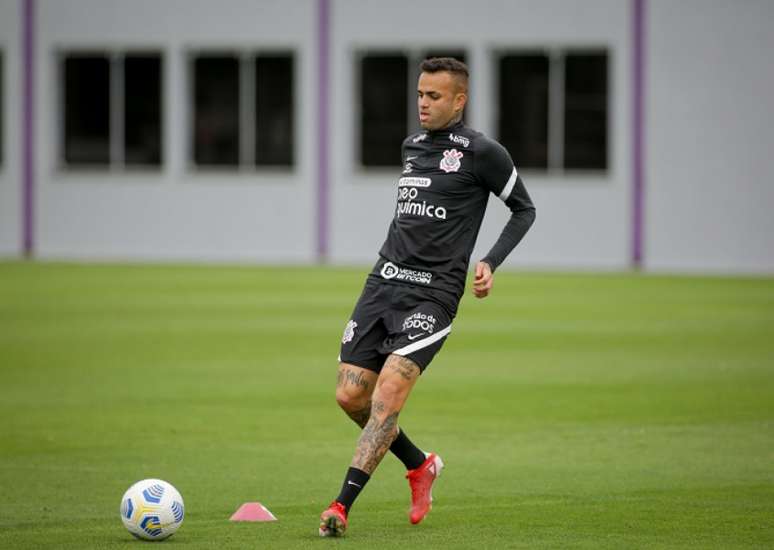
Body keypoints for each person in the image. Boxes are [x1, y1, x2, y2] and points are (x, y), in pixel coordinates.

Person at [319, 57, 536, 537]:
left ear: (459, 100)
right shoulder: (412, 146)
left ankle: (340, 506)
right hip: (382, 284)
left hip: (432, 294)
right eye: (420, 94)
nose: (423, 103)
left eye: (434, 96)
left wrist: (489, 261)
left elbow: (524, 209)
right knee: (350, 396)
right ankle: (420, 465)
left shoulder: (483, 153)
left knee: (388, 395)